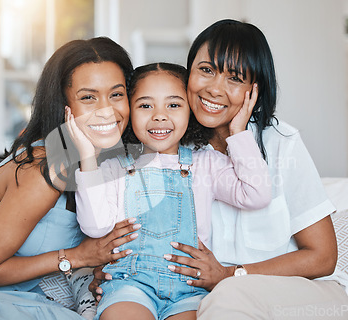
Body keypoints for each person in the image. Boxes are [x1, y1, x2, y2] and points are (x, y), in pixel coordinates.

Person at [90, 20, 348, 319]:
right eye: (206, 70)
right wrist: (116, 270)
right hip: (208, 295)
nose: (215, 89)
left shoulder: (281, 143)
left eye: (235, 78)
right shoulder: (169, 146)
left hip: (298, 293)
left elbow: (322, 257)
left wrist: (231, 274)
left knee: (225, 300)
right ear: (188, 74)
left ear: (254, 90)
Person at [0, 37, 139, 320]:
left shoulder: (104, 165)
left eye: (116, 94)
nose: (106, 110)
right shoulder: (44, 167)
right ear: (63, 106)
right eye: (88, 97)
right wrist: (79, 257)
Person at [70, 62, 271, 320]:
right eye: (145, 105)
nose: (159, 115)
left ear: (190, 110)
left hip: (189, 289)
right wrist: (87, 158)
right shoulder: (112, 168)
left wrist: (238, 131)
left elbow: (257, 193)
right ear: (129, 111)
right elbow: (94, 227)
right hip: (130, 284)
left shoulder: (205, 164)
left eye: (173, 105)